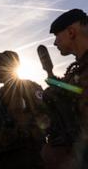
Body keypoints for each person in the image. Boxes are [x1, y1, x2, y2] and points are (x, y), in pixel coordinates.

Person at [41, 9, 88, 169]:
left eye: (57, 36)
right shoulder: (78, 69)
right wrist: (57, 84)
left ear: (71, 32)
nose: (54, 43)